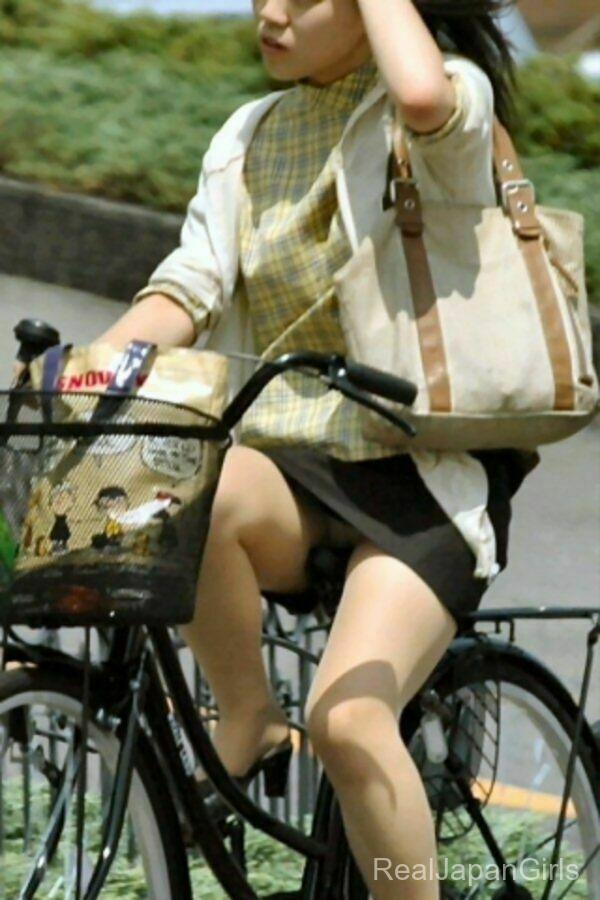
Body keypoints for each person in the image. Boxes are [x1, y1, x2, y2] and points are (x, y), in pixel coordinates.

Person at [98, 1, 536, 896]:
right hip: (294, 467)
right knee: (176, 477)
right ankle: (249, 718)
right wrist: (94, 366)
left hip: (423, 476)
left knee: (348, 720)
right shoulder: (249, 134)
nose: (270, 11)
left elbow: (421, 93)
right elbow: (190, 285)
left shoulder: (446, 101)